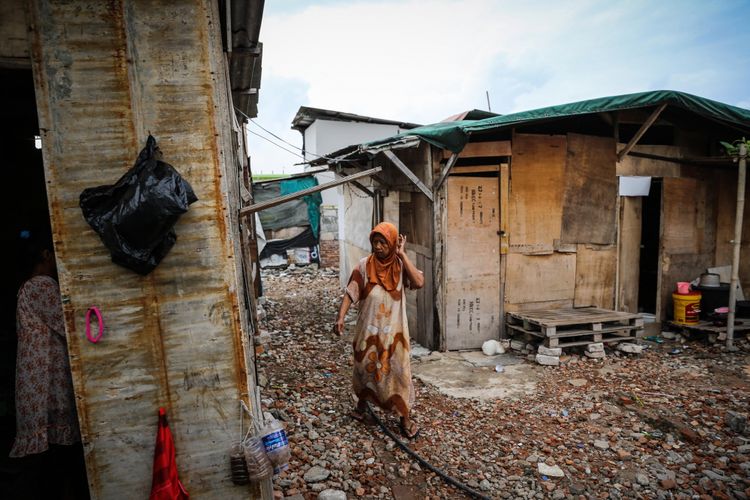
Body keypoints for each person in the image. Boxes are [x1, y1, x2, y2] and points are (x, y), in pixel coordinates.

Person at [9, 233, 86, 499]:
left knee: (48, 460)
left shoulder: (26, 287)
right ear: (45, 255)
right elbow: (69, 325)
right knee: (54, 459)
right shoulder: (42, 285)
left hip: (36, 381)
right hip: (47, 382)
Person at [334, 222, 424, 438]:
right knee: (366, 370)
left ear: (392, 243)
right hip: (368, 333)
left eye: (383, 242)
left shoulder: (401, 267)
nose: (378, 246)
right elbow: (350, 292)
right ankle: (362, 408)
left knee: (399, 373)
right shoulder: (364, 266)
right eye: (375, 242)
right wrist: (340, 317)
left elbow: (419, 282)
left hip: (395, 336)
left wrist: (402, 255)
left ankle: (405, 418)